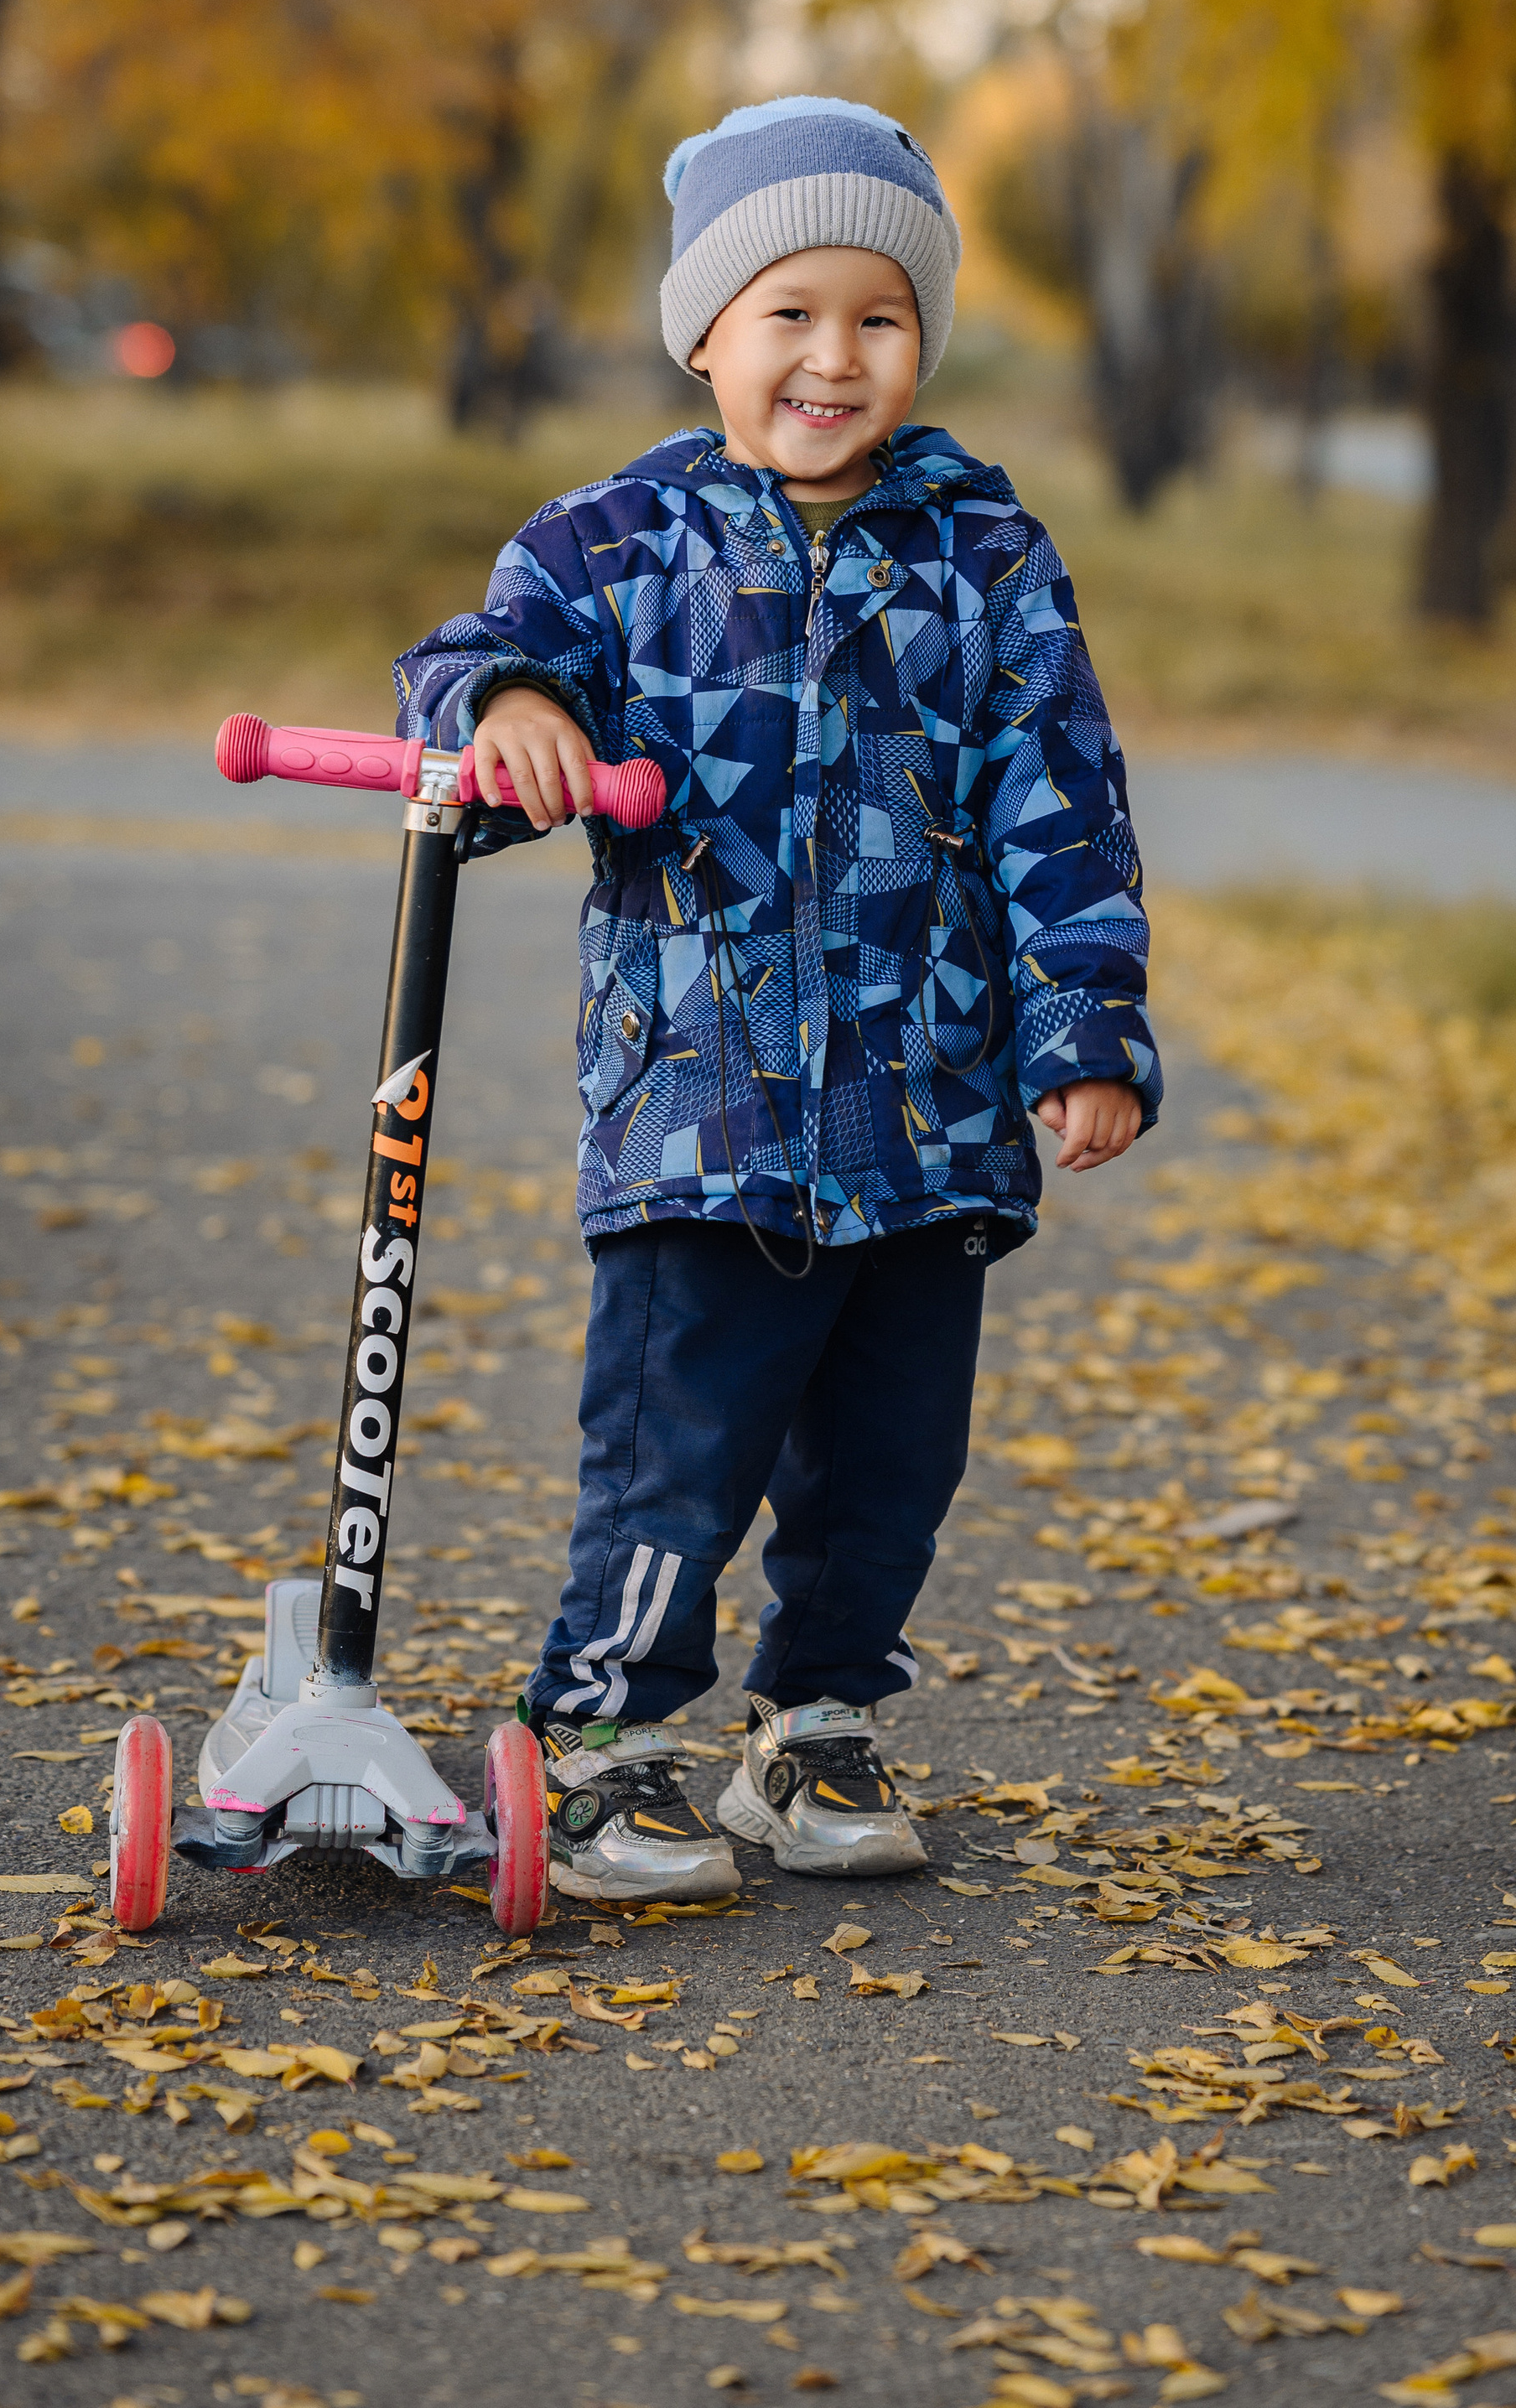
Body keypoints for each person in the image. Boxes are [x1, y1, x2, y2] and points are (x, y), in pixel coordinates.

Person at [393, 94, 1160, 1904]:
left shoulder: (985, 556)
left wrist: (1083, 1033)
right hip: (704, 1110)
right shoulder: (619, 545)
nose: (833, 357)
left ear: (921, 343)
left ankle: (812, 1721)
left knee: (886, 1471)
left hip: (928, 1115)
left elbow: (1062, 800)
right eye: (789, 314)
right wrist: (512, 714)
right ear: (707, 334)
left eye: (877, 318)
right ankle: (599, 1742)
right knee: (675, 1457)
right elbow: (459, 673)